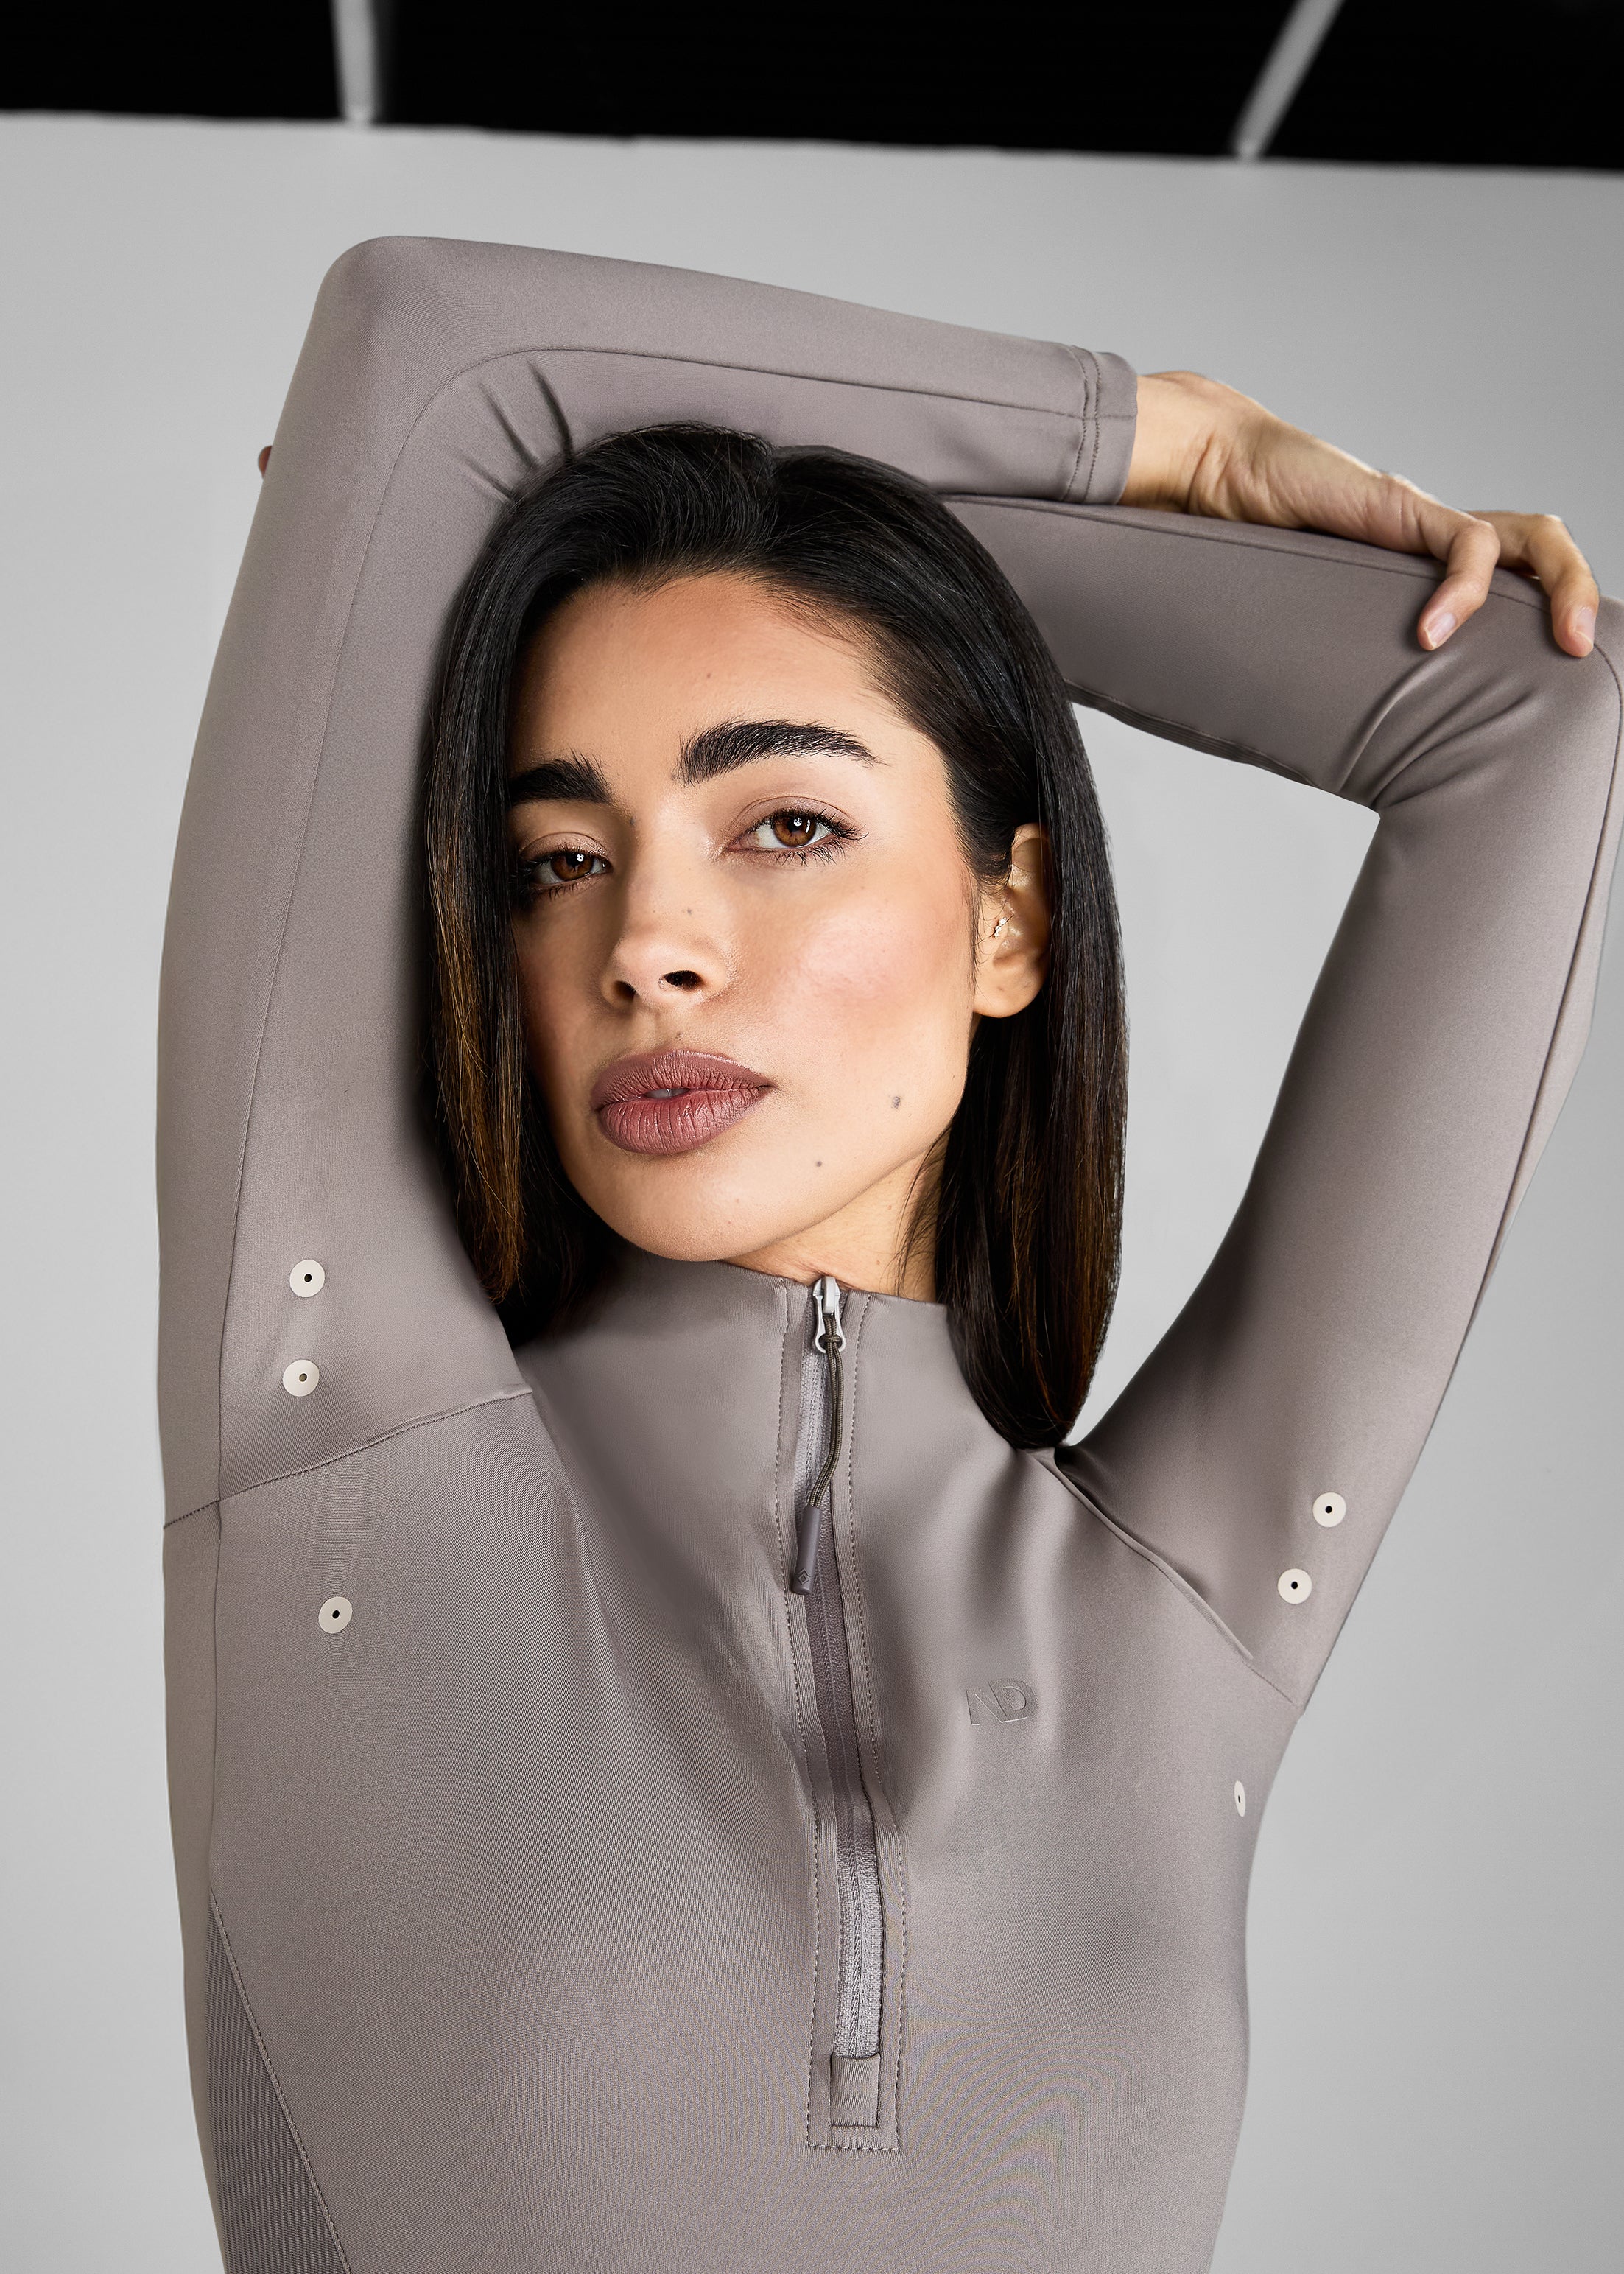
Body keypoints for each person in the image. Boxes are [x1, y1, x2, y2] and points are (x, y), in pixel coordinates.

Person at [159, 239, 1618, 2274]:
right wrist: (1158, 440)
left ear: (1011, 922)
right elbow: (431, 355)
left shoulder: (1174, 1608)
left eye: (784, 824)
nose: (648, 944)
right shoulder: (344, 1442)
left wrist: (829, 562)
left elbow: (1526, 700)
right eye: (560, 860)